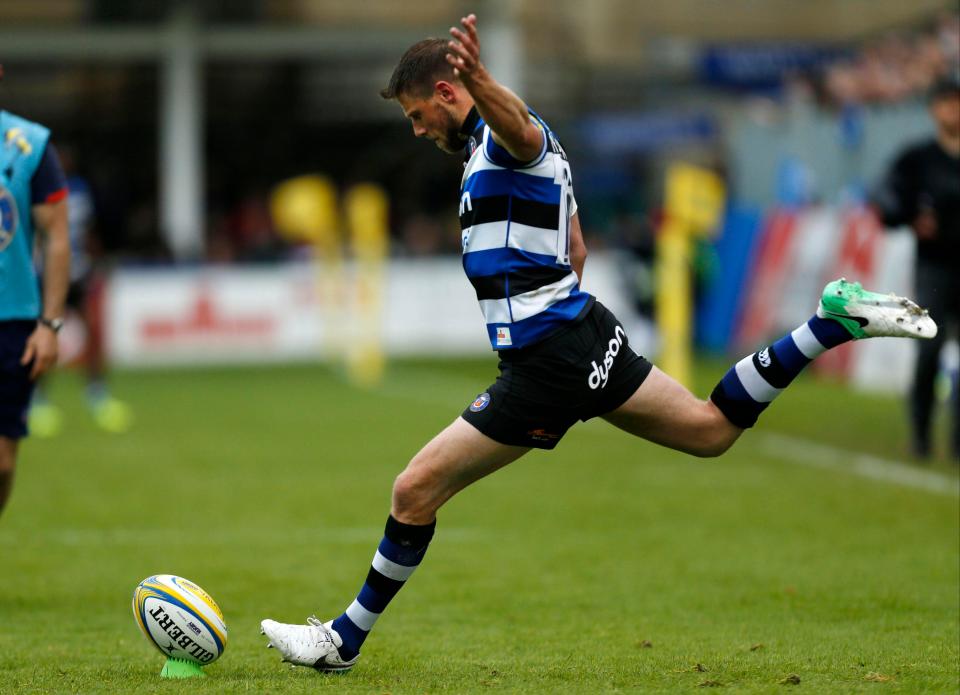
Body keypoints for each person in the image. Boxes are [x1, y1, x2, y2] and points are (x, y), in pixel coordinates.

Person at [259, 15, 938, 672]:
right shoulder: (500, 156)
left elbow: (516, 128)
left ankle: (343, 640)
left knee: (413, 490)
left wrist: (485, 82)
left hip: (549, 358)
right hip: (580, 334)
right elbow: (575, 247)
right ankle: (830, 322)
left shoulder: (503, 139)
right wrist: (561, 325)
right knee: (709, 429)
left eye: (416, 113)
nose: (416, 129)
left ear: (447, 91)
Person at [872, 74, 960, 461]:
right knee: (931, 348)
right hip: (936, 266)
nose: (953, 109)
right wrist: (909, 216)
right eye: (946, 101)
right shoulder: (918, 157)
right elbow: (885, 195)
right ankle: (922, 434)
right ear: (933, 109)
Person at [0, 70, 71, 517]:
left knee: (2, 464)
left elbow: (58, 237)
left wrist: (49, 324)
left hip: (13, 321)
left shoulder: (28, 143)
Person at [28, 146, 133, 437]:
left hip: (80, 272)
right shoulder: (37, 190)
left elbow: (87, 231)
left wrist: (94, 261)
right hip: (50, 275)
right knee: (47, 336)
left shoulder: (80, 190)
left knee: (94, 331)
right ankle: (38, 399)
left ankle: (97, 394)